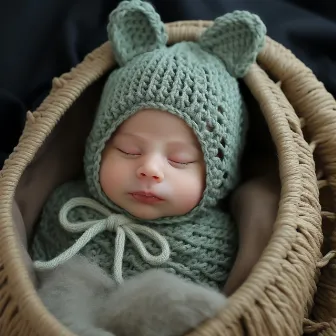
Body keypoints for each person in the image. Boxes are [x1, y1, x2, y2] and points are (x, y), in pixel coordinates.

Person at [29, 1, 274, 335]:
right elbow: (31, 272)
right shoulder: (68, 210)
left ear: (219, 175)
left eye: (180, 160)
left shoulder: (218, 241)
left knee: (172, 297)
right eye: (128, 150)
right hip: (64, 310)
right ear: (97, 149)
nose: (150, 169)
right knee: (69, 281)